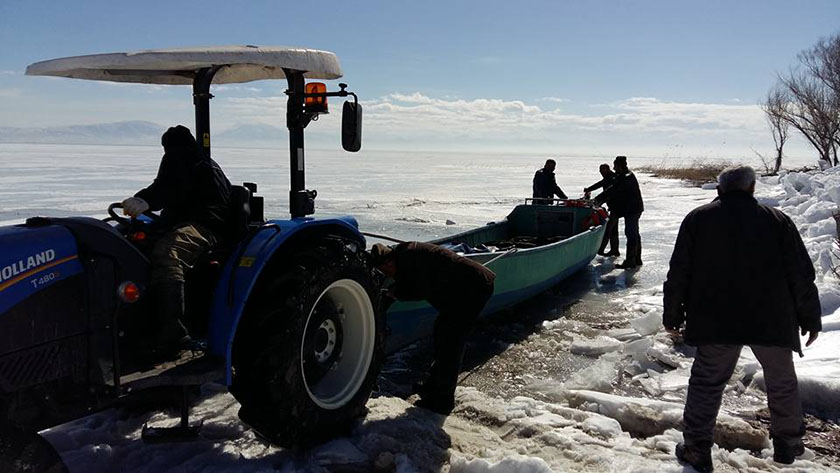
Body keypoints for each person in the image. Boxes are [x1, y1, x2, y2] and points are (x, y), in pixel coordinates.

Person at [662, 166, 821, 471]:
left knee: (707, 382)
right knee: (782, 381)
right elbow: (801, 274)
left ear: (720, 190)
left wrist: (673, 313)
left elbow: (679, 271)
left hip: (716, 318)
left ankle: (697, 448)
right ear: (751, 189)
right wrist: (810, 317)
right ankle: (787, 445)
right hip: (771, 319)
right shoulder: (777, 220)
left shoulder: (698, 219)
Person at [121, 125, 232, 355]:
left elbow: (169, 188)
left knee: (167, 254)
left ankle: (174, 333)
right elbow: (167, 187)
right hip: (184, 221)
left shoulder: (196, 165)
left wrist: (145, 199)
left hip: (206, 225)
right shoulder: (191, 161)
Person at [369, 242, 496, 414]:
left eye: (385, 270)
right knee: (441, 331)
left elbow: (420, 290)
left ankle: (442, 402)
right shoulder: (402, 259)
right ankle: (432, 387)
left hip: (473, 287)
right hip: (459, 289)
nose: (386, 274)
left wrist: (395, 293)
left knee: (451, 342)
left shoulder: (410, 259)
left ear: (389, 262)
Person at [594, 155, 643, 268]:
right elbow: (610, 188)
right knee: (634, 233)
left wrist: (597, 200)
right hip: (631, 208)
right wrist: (598, 199)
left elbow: (613, 190)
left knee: (631, 233)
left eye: (615, 166)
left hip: (632, 209)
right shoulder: (622, 175)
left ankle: (631, 261)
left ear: (620, 166)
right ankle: (636, 259)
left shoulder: (627, 177)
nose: (614, 169)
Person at [585, 163, 620, 256]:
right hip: (614, 207)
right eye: (601, 170)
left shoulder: (612, 178)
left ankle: (601, 250)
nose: (602, 172)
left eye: (604, 170)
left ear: (608, 170)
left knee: (608, 228)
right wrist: (589, 189)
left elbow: (608, 193)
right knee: (613, 229)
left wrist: (597, 202)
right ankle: (615, 250)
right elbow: (600, 184)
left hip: (616, 207)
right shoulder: (608, 178)